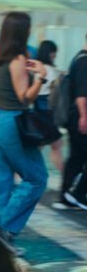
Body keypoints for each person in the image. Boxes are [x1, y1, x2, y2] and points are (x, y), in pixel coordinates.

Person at [0, 11, 49, 254]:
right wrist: (40, 78)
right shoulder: (18, 59)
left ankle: (0, 241)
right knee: (36, 178)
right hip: (12, 122)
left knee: (2, 182)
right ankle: (1, 229)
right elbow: (25, 98)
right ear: (22, 32)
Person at [58, 35, 87, 210]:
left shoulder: (77, 58)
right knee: (77, 157)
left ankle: (67, 194)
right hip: (80, 116)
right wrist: (84, 116)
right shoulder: (85, 62)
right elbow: (81, 94)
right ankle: (77, 193)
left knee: (76, 157)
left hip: (73, 117)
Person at [34, 40, 64, 175]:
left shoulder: (37, 67)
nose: (55, 56)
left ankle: (21, 176)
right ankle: (67, 177)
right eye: (54, 54)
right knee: (57, 145)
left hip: (37, 109)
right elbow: (55, 90)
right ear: (50, 53)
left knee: (39, 147)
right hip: (47, 110)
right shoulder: (50, 70)